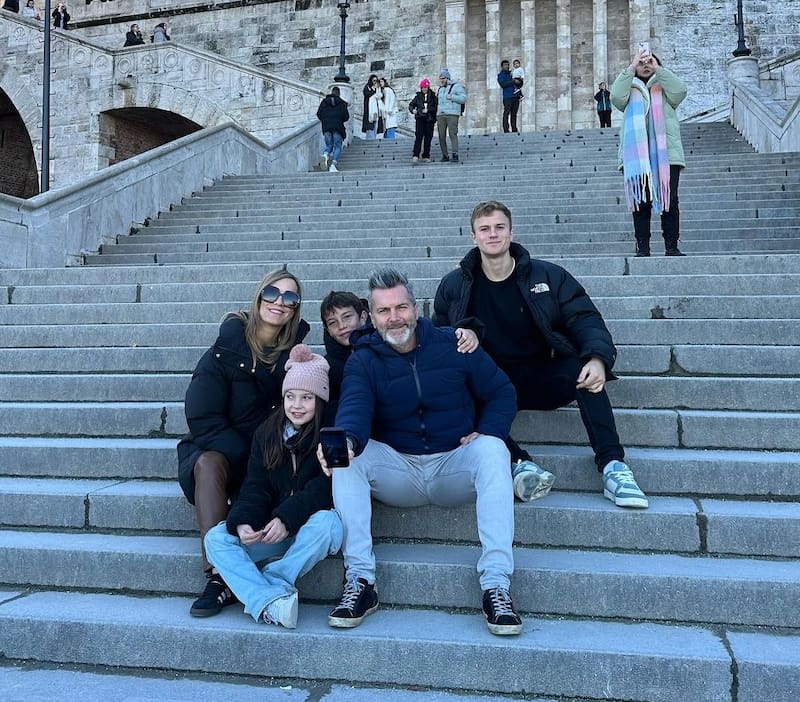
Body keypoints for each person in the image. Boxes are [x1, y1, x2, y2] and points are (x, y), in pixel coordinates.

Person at [321, 267, 524, 636]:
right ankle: (361, 582)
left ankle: (496, 585)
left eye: (401, 307)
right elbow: (354, 407)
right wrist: (347, 441)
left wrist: (487, 430)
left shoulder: (454, 344)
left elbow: (501, 391)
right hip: (399, 470)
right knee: (347, 458)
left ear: (416, 308)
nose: (393, 318)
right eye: (384, 311)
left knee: (493, 450)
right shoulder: (364, 359)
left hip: (452, 465)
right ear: (372, 314)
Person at [433, 200, 649, 510]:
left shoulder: (547, 276)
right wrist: (458, 333)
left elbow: (584, 318)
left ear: (511, 232)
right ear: (473, 237)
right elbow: (438, 339)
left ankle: (614, 467)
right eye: (484, 229)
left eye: (499, 227)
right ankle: (520, 463)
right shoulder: (454, 285)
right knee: (449, 392)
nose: (492, 234)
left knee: (584, 372)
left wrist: (598, 359)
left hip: (540, 376)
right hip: (491, 388)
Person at [177, 270, 310, 617]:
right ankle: (218, 575)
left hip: (270, 459)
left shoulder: (293, 358)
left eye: (290, 298)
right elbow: (203, 417)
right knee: (207, 462)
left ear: (295, 309)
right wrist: (252, 457)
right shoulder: (223, 351)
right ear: (258, 296)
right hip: (227, 453)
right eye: (272, 292)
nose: (279, 302)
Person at [203, 344, 342, 629]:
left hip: (309, 530)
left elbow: (325, 489)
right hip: (271, 531)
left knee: (329, 523)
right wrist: (244, 521)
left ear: (320, 401)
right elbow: (256, 485)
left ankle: (271, 585)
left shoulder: (330, 434)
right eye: (290, 397)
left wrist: (286, 518)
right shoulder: (268, 433)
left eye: (307, 398)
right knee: (216, 538)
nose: (297, 405)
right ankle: (273, 598)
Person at [611, 48, 687, 257]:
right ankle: (642, 247)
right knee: (640, 201)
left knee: (669, 199)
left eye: (649, 61)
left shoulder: (664, 87)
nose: (645, 65)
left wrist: (658, 69)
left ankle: (672, 245)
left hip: (667, 154)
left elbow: (680, 91)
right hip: (637, 156)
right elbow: (616, 97)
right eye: (641, 62)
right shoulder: (629, 89)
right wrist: (631, 67)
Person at [319, 290, 370, 424]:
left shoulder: (382, 352)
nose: (342, 326)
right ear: (327, 330)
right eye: (333, 323)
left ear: (363, 317)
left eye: (347, 317)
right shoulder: (326, 367)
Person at [436, 68, 466, 163]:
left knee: (453, 134)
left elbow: (463, 98)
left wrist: (452, 97)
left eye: (443, 78)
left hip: (452, 114)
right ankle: (445, 155)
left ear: (448, 78)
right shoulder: (440, 89)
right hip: (441, 115)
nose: (441, 80)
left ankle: (455, 154)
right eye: (440, 78)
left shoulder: (456, 86)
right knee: (441, 136)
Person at [316, 86, 349, 173]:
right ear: (339, 93)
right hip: (338, 128)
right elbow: (346, 117)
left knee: (329, 145)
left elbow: (319, 114)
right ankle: (333, 165)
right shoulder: (342, 103)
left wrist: (326, 120)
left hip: (326, 127)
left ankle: (325, 155)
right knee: (337, 146)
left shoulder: (324, 102)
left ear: (331, 92)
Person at [409, 78, 437, 163]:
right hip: (420, 118)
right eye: (423, 87)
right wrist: (413, 110)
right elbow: (411, 105)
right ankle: (416, 155)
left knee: (428, 137)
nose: (424, 89)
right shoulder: (418, 96)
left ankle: (426, 155)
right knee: (418, 137)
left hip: (429, 119)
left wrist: (428, 110)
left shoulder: (433, 96)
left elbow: (435, 107)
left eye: (425, 87)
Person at [497, 59, 519, 133]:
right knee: (506, 113)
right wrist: (512, 81)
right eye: (505, 65)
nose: (507, 66)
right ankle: (506, 129)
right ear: (502, 66)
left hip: (515, 96)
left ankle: (514, 129)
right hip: (507, 97)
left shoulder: (512, 74)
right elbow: (503, 84)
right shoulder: (501, 75)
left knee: (514, 114)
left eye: (508, 65)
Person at [361, 74, 379, 139]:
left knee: (375, 124)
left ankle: (373, 137)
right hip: (369, 109)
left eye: (376, 81)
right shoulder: (367, 87)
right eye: (374, 80)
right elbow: (366, 94)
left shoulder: (377, 88)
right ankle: (370, 138)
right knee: (369, 124)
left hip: (376, 109)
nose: (375, 82)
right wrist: (373, 90)